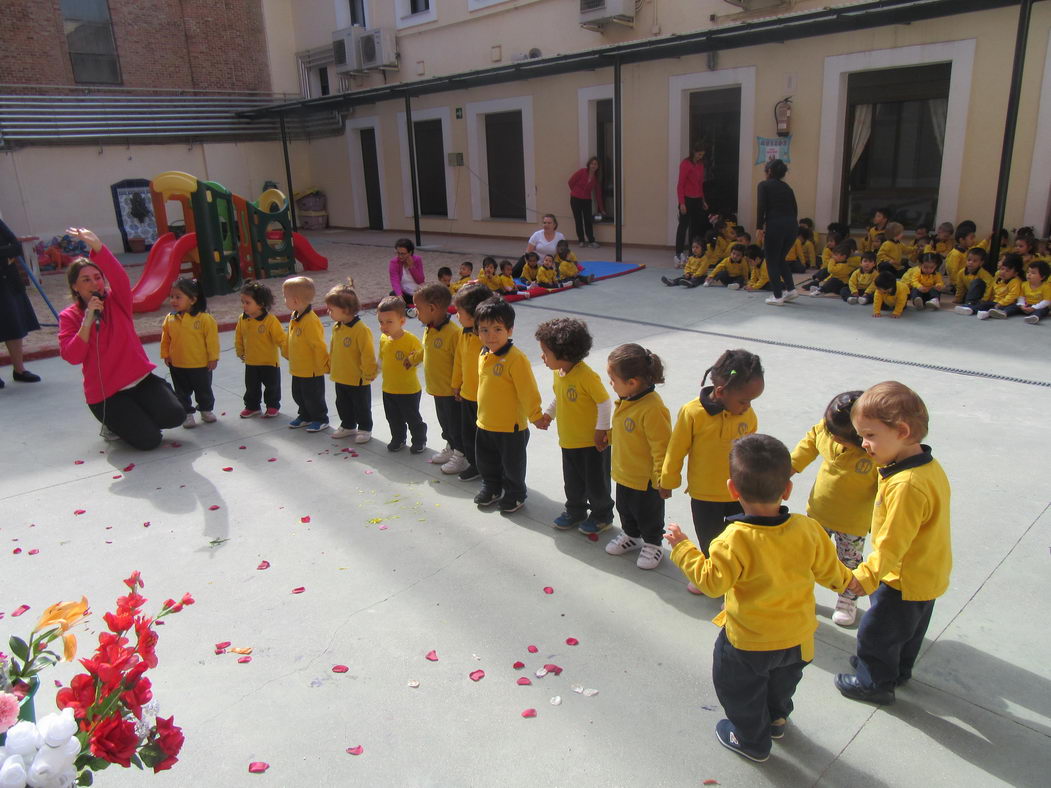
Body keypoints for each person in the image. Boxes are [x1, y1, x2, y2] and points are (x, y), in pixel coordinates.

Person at [666, 434, 855, 762]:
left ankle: (752, 740)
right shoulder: (808, 529)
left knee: (739, 689)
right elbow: (833, 574)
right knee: (782, 683)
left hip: (748, 643)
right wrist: (854, 581)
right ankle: (777, 718)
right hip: (798, 639)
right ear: (787, 490)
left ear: (732, 490)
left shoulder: (733, 540)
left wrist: (683, 548)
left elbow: (712, 583)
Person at [835, 382, 951, 706]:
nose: (864, 444)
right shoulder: (926, 466)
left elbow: (891, 542)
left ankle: (874, 683)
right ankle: (897, 670)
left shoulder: (907, 485)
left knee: (876, 632)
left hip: (901, 577)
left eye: (870, 435)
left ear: (901, 431)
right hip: (928, 572)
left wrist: (866, 576)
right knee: (909, 630)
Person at [57, 227, 184, 449]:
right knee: (150, 441)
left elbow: (120, 278)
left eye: (97, 278)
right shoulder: (69, 316)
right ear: (75, 287)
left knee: (175, 416)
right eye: (86, 280)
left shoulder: (118, 301)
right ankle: (114, 423)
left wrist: (97, 245)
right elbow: (72, 356)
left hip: (140, 380)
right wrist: (87, 322)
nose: (94, 284)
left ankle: (139, 413)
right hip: (107, 394)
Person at [660, 349, 763, 591]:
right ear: (720, 392)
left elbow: (752, 452)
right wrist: (667, 479)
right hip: (704, 494)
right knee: (710, 539)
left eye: (752, 401)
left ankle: (735, 577)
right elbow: (676, 450)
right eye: (744, 401)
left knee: (737, 539)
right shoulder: (693, 413)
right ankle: (710, 573)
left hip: (739, 492)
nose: (748, 406)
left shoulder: (747, 415)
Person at [790, 391, 879, 626]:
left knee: (848, 561)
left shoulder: (875, 455)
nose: (832, 438)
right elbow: (811, 441)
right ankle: (800, 592)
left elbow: (886, 491)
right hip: (819, 511)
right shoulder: (829, 430)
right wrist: (789, 469)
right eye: (830, 432)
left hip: (853, 523)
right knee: (807, 555)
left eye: (839, 437)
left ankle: (847, 598)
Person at [534, 318, 614, 536]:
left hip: (591, 444)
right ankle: (576, 510)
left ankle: (602, 515)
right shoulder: (559, 373)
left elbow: (604, 403)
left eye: (545, 352)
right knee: (573, 481)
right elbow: (559, 398)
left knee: (596, 483)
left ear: (565, 354)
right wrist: (549, 415)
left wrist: (601, 430)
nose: (542, 356)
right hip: (569, 440)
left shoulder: (586, 376)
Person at [603, 343, 672, 570]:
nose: (610, 384)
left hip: (646, 479)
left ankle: (653, 543)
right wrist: (609, 437)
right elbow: (622, 428)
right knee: (625, 508)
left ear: (632, 382)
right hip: (624, 472)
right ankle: (631, 535)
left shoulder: (652, 409)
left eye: (612, 380)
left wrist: (663, 478)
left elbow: (661, 447)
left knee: (648, 514)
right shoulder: (627, 399)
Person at [472, 297, 544, 514]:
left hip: (510, 427)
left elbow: (528, 390)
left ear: (509, 330)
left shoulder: (516, 359)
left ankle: (515, 494)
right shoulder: (484, 353)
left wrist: (536, 415)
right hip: (485, 422)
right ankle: (491, 487)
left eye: (497, 329)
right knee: (486, 461)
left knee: (513, 466)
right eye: (484, 329)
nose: (490, 335)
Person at [412, 283, 466, 473]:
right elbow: (425, 349)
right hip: (436, 388)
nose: (415, 312)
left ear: (432, 308)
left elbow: (461, 362)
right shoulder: (430, 328)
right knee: (445, 423)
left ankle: (461, 454)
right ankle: (451, 447)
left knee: (455, 424)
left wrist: (458, 385)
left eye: (418, 308)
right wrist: (413, 359)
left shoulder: (453, 333)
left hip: (451, 391)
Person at [160, 277, 219, 429]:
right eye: (171, 296)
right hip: (177, 364)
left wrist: (213, 358)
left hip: (200, 364)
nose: (173, 300)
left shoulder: (205, 319)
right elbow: (165, 338)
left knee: (204, 389)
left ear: (192, 300)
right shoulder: (170, 319)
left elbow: (212, 340)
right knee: (181, 392)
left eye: (178, 297)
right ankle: (187, 413)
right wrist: (166, 354)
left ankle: (206, 409)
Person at [450, 283, 492, 482]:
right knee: (469, 435)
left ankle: (491, 470)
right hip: (467, 394)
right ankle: (475, 465)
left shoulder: (486, 337)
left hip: (485, 398)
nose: (456, 315)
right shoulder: (462, 333)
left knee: (486, 439)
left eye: (460, 311)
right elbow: (459, 360)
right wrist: (456, 384)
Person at [325, 281, 376, 443]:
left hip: (357, 377)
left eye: (331, 309)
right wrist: (330, 364)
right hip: (340, 375)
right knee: (342, 403)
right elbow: (333, 348)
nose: (328, 312)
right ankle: (347, 425)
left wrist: (369, 372)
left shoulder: (361, 330)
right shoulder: (337, 327)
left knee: (361, 405)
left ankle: (365, 428)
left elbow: (367, 353)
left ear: (346, 310)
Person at [376, 295, 426, 453]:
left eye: (389, 322)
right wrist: (374, 371)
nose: (384, 326)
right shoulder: (384, 339)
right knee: (393, 418)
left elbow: (421, 356)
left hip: (408, 389)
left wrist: (413, 360)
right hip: (388, 388)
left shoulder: (410, 340)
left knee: (412, 418)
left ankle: (419, 440)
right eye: (381, 322)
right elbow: (382, 358)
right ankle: (398, 438)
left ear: (402, 321)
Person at [282, 276, 329, 432]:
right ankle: (305, 415)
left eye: (285, 297)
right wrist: (287, 351)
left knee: (313, 396)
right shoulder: (294, 316)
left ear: (295, 300)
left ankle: (320, 418)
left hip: (312, 369)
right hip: (298, 367)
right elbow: (290, 336)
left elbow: (318, 345)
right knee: (299, 394)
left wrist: (323, 364)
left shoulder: (311, 320)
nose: (284, 300)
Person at [0, 218, 41, 387]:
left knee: (15, 325)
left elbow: (16, 246)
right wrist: (5, 256)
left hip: (8, 281)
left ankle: (19, 370)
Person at [236, 281, 286, 419]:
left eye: (247, 302)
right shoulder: (243, 319)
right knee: (251, 387)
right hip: (251, 361)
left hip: (269, 362)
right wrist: (240, 351)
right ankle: (252, 407)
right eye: (243, 302)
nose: (244, 305)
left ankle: (273, 406)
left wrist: (287, 350)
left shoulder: (270, 320)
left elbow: (281, 338)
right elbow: (239, 336)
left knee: (272, 386)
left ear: (261, 303)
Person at [756, 159, 799, 306]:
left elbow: (761, 207)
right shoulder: (788, 188)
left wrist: (759, 228)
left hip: (775, 226)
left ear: (769, 172)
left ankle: (777, 296)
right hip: (792, 226)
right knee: (780, 258)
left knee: (771, 261)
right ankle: (791, 289)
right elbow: (795, 209)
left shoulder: (764, 185)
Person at [952, 254, 1023, 319]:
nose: (1003, 272)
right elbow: (992, 287)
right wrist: (987, 299)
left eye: (1007, 270)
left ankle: (1001, 313)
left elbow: (1012, 296)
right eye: (1002, 269)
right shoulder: (998, 274)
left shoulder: (1015, 281)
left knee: (1013, 307)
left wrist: (1001, 303)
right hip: (995, 301)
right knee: (985, 305)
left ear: (1015, 273)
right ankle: (971, 309)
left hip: (1007, 303)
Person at [674, 144, 709, 266]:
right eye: (699, 154)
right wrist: (682, 203)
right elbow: (680, 185)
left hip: (697, 199)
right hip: (687, 200)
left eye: (702, 155)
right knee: (683, 226)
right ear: (693, 152)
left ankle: (692, 253)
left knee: (695, 227)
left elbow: (700, 184)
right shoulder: (685, 164)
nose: (700, 157)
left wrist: (703, 200)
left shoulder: (700, 165)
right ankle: (678, 254)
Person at [567, 156, 604, 248]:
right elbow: (570, 182)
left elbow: (598, 195)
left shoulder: (596, 178)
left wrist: (602, 209)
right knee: (578, 220)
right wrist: (575, 192)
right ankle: (581, 240)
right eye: (592, 163)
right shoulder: (582, 172)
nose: (593, 166)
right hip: (575, 199)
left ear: (598, 166)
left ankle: (591, 241)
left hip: (587, 200)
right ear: (589, 164)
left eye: (595, 164)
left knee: (588, 220)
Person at [389, 238, 424, 318]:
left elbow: (420, 280)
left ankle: (408, 310)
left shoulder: (417, 260)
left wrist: (412, 266)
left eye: (403, 254)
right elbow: (394, 280)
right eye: (398, 253)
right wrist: (399, 295)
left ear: (410, 252)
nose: (400, 256)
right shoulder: (394, 262)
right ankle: (410, 310)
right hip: (405, 294)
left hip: (418, 293)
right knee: (393, 295)